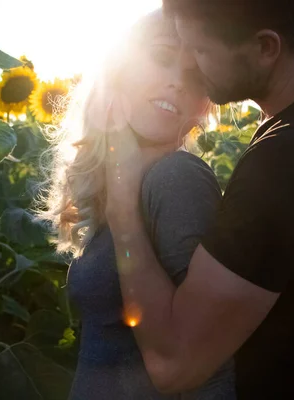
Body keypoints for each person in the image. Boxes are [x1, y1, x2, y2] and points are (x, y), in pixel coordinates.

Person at [102, 1, 294, 400]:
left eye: (201, 50)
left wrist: (122, 212)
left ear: (265, 48)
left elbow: (175, 365)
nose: (188, 63)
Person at [39, 9, 236, 400]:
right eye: (162, 57)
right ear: (119, 67)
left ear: (203, 107)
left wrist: (123, 202)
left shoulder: (175, 180)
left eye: (196, 76)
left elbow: (209, 364)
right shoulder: (121, 180)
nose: (178, 83)